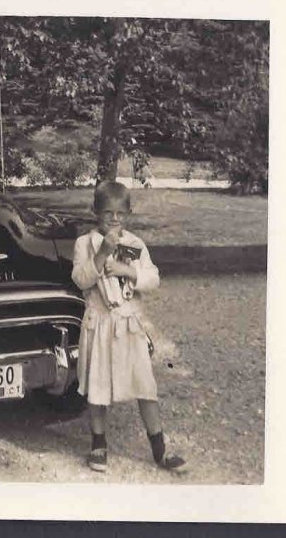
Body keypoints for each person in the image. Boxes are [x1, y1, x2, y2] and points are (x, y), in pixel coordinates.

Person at [71, 181, 187, 473]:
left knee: (144, 384)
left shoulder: (136, 244)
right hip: (99, 322)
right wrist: (101, 255)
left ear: (128, 214)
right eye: (107, 212)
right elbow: (81, 279)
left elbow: (153, 278)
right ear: (95, 212)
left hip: (129, 323)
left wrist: (127, 271)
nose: (114, 218)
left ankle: (159, 448)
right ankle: (99, 444)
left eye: (120, 213)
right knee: (98, 385)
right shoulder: (84, 243)